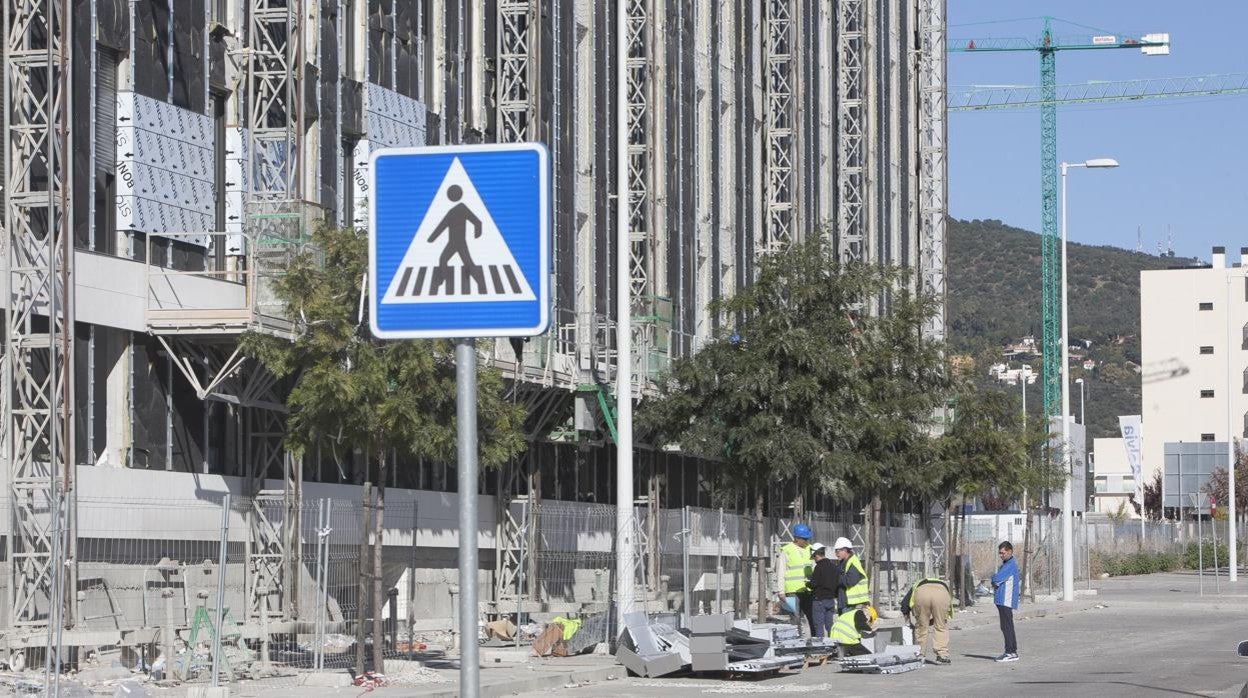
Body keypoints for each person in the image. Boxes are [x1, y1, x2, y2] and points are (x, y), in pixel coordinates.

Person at [901, 576, 953, 665]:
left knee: (921, 627)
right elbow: (943, 617)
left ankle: (919, 654)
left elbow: (904, 604)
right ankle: (942, 656)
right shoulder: (943, 584)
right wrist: (935, 620)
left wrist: (908, 622)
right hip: (942, 593)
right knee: (941, 626)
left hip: (921, 593)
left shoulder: (916, 585)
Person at [775, 524, 815, 637]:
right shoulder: (786, 550)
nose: (807, 540)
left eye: (807, 538)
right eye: (804, 538)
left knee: (812, 616)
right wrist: (780, 590)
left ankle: (816, 640)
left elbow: (814, 567)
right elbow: (781, 571)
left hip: (808, 590)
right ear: (797, 538)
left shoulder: (810, 549)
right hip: (791, 591)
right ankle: (796, 640)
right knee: (794, 617)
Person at [992, 540, 1020, 663]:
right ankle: (1012, 651)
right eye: (1000, 553)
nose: (1001, 555)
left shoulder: (1010, 565)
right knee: (1007, 626)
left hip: (1005, 600)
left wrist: (993, 578)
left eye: (1002, 553)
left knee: (1006, 626)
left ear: (1009, 551)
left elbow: (997, 579)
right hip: (1002, 600)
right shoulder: (1006, 564)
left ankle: (1010, 652)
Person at [807, 543, 840, 638]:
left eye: (814, 557)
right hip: (830, 600)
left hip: (819, 601)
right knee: (830, 626)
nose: (814, 560)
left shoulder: (818, 567)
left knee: (819, 626)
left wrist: (807, 583)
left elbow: (813, 584)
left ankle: (821, 650)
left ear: (816, 555)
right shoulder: (833, 566)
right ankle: (833, 646)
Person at [832, 536, 869, 611]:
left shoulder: (853, 563)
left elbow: (849, 581)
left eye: (838, 551)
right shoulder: (843, 562)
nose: (836, 554)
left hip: (853, 604)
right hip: (845, 601)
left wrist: (835, 577)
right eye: (835, 551)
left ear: (845, 550)